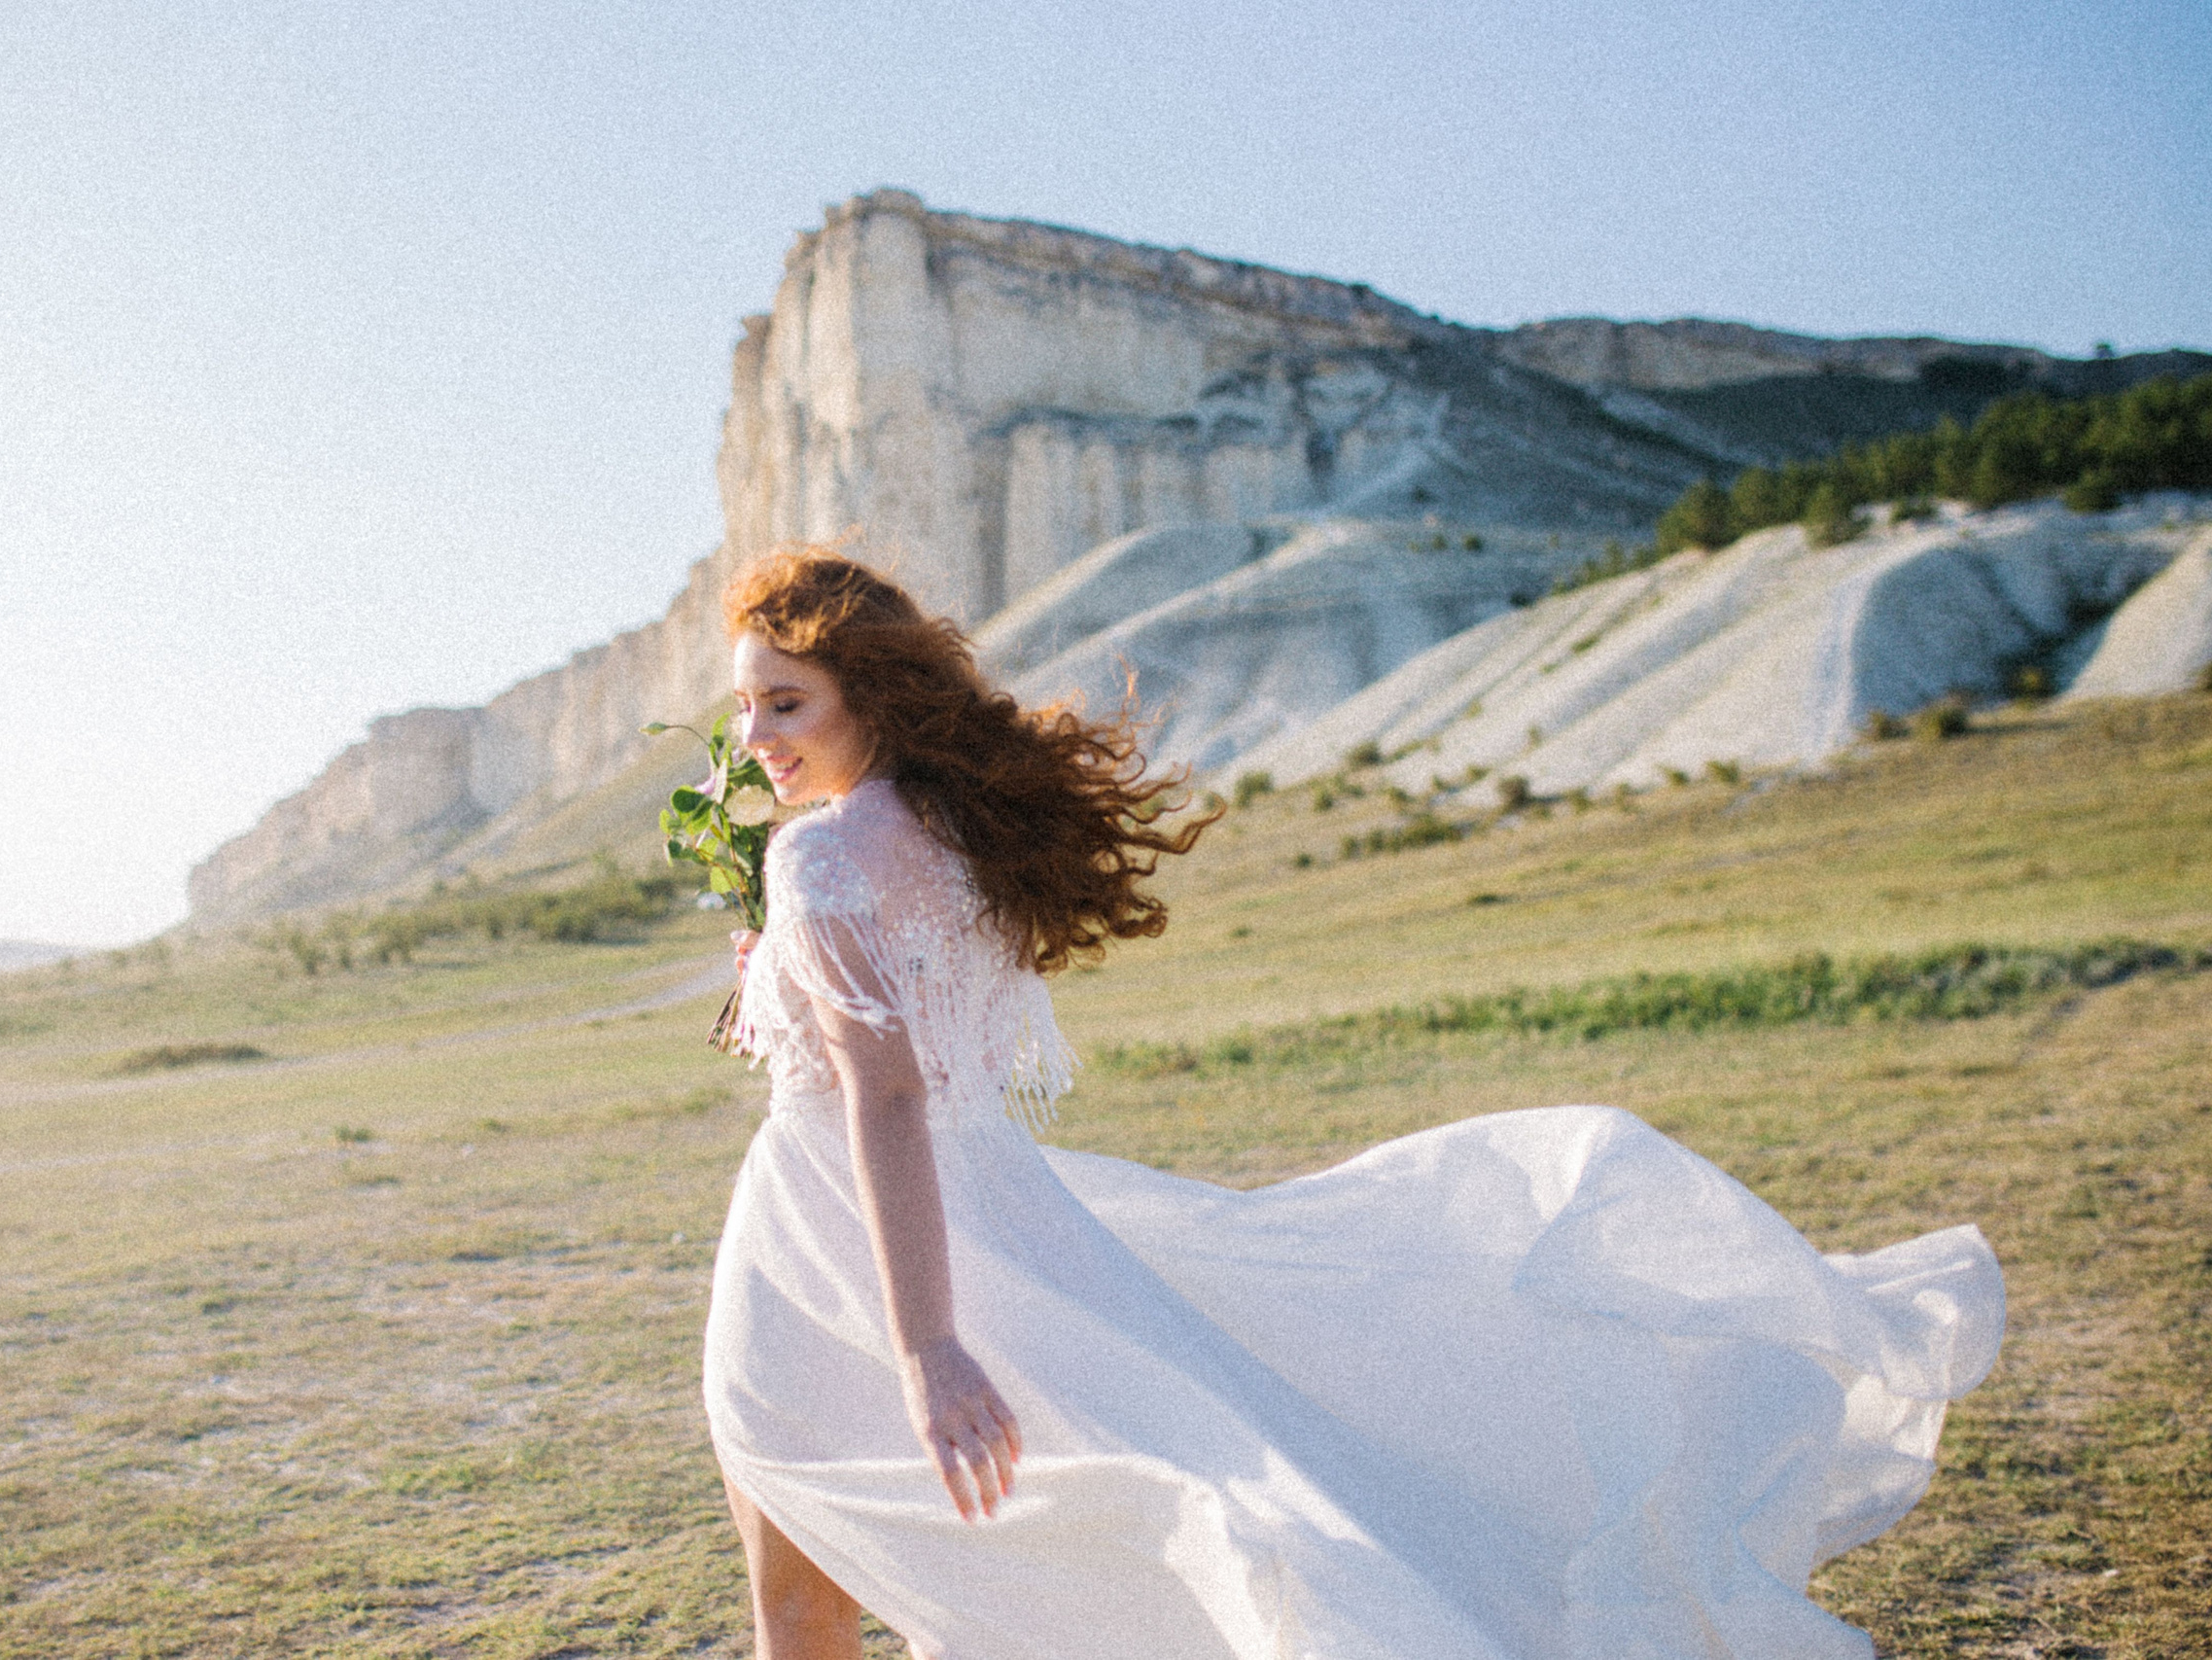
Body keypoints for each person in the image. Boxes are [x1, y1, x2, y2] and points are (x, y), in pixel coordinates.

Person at [703, 547, 2003, 1660]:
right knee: (1005, 1560)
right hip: (1008, 1226)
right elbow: (932, 1060)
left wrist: (928, 1347)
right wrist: (771, 980)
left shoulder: (817, 852)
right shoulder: (961, 839)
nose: (756, 739)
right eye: (748, 706)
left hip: (837, 1240)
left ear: (866, 694)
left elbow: (881, 1097)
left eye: (784, 702)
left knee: (818, 1586)